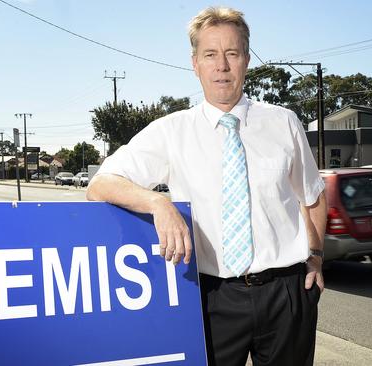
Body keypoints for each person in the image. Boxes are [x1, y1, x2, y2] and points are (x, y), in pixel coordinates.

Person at [87, 6, 326, 366]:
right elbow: (100, 184)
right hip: (210, 298)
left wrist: (317, 259)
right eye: (210, 55)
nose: (222, 66)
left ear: (246, 59)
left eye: (232, 53)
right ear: (195, 63)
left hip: (287, 294)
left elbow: (312, 197)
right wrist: (157, 203)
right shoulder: (171, 131)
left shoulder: (284, 123)